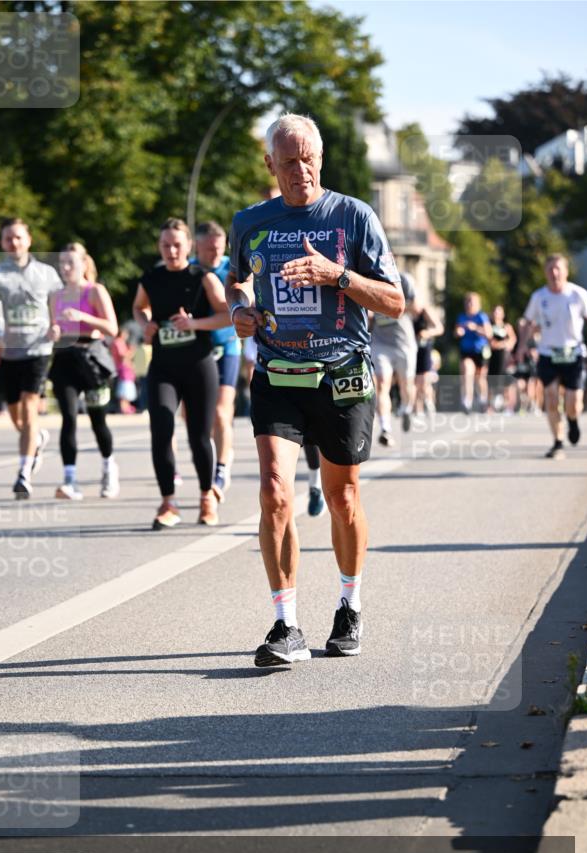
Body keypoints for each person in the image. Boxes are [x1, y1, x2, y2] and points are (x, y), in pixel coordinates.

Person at [226, 113, 403, 666]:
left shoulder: (354, 216)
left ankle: (349, 605)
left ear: (319, 159)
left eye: (307, 159)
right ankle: (286, 625)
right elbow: (238, 278)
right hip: (278, 372)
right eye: (288, 161)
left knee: (342, 496)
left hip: (342, 372)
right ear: (270, 165)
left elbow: (395, 303)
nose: (299, 170)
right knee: (275, 489)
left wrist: (337, 276)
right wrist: (239, 309)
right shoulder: (250, 221)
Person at [132, 218, 230, 529]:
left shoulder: (204, 277)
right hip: (163, 366)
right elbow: (138, 307)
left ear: (188, 246)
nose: (172, 250)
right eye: (166, 245)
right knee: (161, 428)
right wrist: (144, 323)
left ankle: (206, 497)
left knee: (199, 436)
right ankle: (168, 502)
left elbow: (228, 316)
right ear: (159, 247)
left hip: (199, 366)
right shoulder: (151, 278)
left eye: (177, 245)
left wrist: (195, 325)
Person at [0, 218, 62, 498]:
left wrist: (56, 324)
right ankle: (37, 439)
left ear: (28, 239)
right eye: (8, 239)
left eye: (18, 237)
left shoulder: (48, 274)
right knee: (16, 415)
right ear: (2, 243)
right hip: (7, 351)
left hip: (37, 349)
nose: (13, 243)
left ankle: (24, 473)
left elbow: (57, 306)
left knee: (29, 410)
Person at [48, 243, 120, 499]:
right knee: (68, 418)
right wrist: (53, 331)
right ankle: (70, 480)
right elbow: (52, 328)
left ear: (83, 265)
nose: (65, 268)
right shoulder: (56, 296)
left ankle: (109, 467)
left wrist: (83, 317)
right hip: (64, 358)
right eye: (62, 263)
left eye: (71, 263)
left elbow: (112, 328)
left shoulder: (95, 292)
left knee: (97, 420)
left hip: (92, 359)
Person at [519, 254, 587, 459]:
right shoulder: (539, 297)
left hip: (574, 353)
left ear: (566, 271)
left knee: (573, 402)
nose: (554, 273)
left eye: (558, 268)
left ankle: (572, 420)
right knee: (551, 398)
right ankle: (558, 442)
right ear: (545, 272)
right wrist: (521, 347)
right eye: (550, 269)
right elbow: (527, 322)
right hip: (548, 353)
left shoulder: (578, 294)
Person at [194, 221, 241, 496]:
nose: (215, 253)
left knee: (221, 412)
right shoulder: (188, 268)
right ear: (197, 245)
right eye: (209, 248)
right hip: (195, 350)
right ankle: (213, 454)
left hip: (227, 348)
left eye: (219, 247)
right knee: (193, 417)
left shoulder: (231, 269)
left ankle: (221, 469)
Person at [370, 271, 417, 445]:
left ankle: (406, 408)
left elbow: (416, 307)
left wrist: (391, 304)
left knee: (406, 385)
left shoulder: (405, 279)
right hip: (381, 342)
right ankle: (385, 428)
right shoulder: (369, 279)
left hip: (404, 343)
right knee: (382, 384)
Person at [455, 292, 492, 413]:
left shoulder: (481, 317)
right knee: (467, 372)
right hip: (466, 351)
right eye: (468, 301)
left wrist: (475, 328)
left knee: (480, 378)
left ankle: (482, 400)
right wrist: (458, 332)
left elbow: (489, 334)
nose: (470, 304)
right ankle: (467, 401)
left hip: (480, 351)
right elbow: (456, 332)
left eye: (472, 301)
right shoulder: (461, 317)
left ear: (478, 304)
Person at [413, 300, 443, 415]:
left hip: (425, 347)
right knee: (414, 380)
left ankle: (429, 401)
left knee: (424, 378)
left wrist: (427, 333)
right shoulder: (405, 310)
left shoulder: (426, 311)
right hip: (411, 348)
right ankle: (418, 410)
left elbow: (439, 328)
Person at [487, 304, 516, 413]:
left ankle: (508, 406)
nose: (496, 314)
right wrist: (500, 344)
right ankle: (490, 406)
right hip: (492, 357)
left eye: (498, 312)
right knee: (491, 380)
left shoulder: (507, 327)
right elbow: (491, 342)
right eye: (494, 311)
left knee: (506, 381)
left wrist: (503, 344)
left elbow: (512, 340)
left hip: (504, 358)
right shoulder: (489, 326)